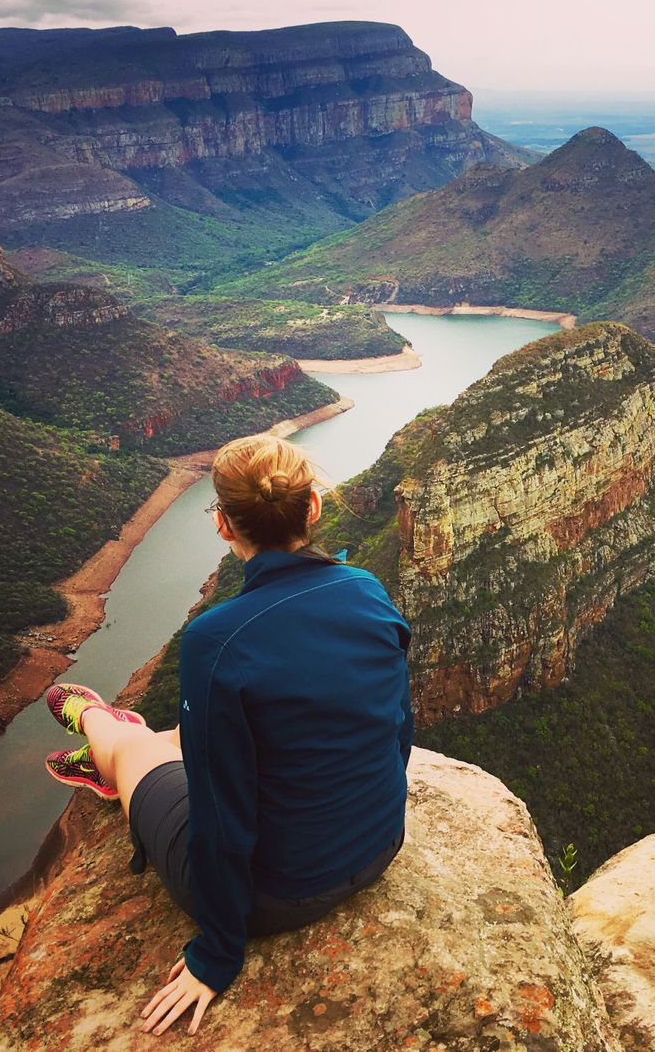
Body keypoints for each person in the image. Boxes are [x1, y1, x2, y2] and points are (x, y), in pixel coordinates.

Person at [40, 431, 413, 1036]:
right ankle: (158, 737)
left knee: (138, 752)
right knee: (207, 735)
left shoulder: (217, 639)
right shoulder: (368, 591)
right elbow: (399, 731)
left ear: (224, 527)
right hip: (377, 849)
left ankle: (102, 727)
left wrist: (218, 955)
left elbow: (221, 817)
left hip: (276, 896)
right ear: (313, 508)